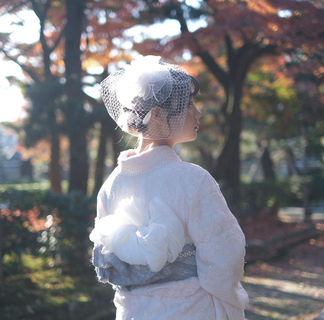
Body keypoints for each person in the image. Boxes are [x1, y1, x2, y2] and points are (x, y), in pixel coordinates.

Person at [89, 55, 249, 320]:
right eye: (189, 104)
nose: (197, 112)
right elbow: (224, 256)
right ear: (161, 115)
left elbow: (110, 261)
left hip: (133, 311)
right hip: (191, 309)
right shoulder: (192, 179)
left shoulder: (111, 185)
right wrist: (230, 303)